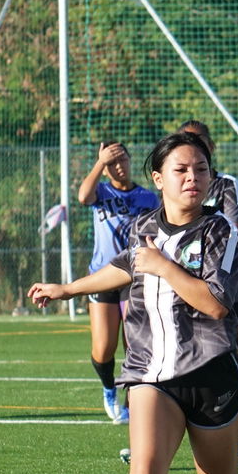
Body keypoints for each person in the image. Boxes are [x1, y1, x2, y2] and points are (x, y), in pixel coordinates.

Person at [29, 131, 238, 474]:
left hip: (211, 373)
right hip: (149, 372)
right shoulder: (143, 227)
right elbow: (122, 267)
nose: (192, 178)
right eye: (180, 170)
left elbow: (217, 305)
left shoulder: (221, 233)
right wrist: (66, 289)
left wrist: (162, 265)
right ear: (158, 178)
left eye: (201, 169)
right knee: (144, 472)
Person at [178, 119, 238, 468]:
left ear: (211, 148)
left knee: (231, 362)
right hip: (180, 290)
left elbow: (233, 230)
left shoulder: (225, 185)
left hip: (225, 291)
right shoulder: (174, 183)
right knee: (172, 362)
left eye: (201, 143)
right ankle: (155, 439)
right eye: (187, 142)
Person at [77, 140, 159, 425]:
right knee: (103, 348)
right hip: (102, 276)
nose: (119, 166)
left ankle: (133, 405)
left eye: (122, 160)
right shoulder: (101, 192)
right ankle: (108, 388)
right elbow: (82, 196)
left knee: (135, 346)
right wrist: (100, 162)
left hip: (134, 278)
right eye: (113, 163)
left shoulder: (148, 198)